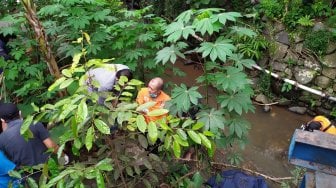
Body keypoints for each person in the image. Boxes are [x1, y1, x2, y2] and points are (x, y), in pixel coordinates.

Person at [0, 103, 69, 167]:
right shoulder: (34, 124)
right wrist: (63, 157)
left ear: (2, 120)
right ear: (20, 113)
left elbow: (7, 159)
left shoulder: (2, 138)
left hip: (26, 175)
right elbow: (51, 146)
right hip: (47, 167)